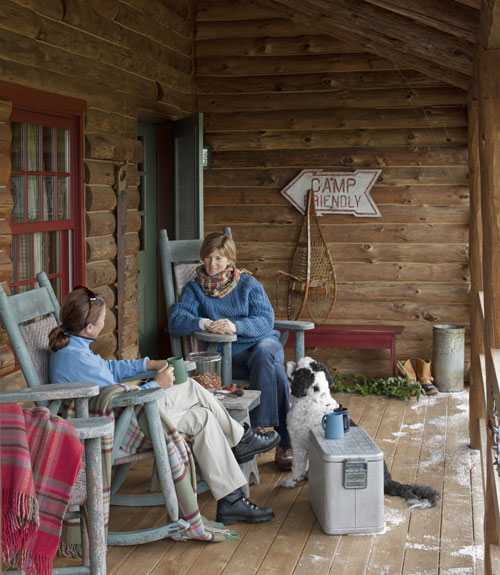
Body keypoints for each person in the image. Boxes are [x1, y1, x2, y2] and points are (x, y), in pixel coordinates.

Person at [49, 286, 279, 525]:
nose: (104, 323)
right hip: (124, 425)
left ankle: (231, 500)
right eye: (102, 321)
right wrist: (156, 385)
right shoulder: (75, 359)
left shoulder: (74, 347)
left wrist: (149, 364)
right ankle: (241, 440)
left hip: (128, 414)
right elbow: (120, 399)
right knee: (188, 386)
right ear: (89, 327)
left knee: (203, 417)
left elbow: (109, 370)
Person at [168, 231, 293, 471]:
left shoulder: (248, 284)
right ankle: (282, 442)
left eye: (218, 259)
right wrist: (204, 323)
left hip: (259, 344)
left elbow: (265, 320)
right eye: (207, 258)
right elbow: (176, 319)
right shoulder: (195, 289)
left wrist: (234, 326)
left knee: (266, 352)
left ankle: (259, 430)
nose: (211, 264)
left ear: (230, 260)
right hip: (227, 356)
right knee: (274, 368)